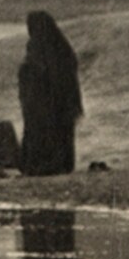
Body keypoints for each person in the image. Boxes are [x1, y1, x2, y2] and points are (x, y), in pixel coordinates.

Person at [17, 10, 83, 176]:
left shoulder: (39, 47)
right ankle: (59, 164)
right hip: (59, 104)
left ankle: (43, 166)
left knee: (43, 133)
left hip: (44, 104)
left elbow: (38, 72)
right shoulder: (61, 48)